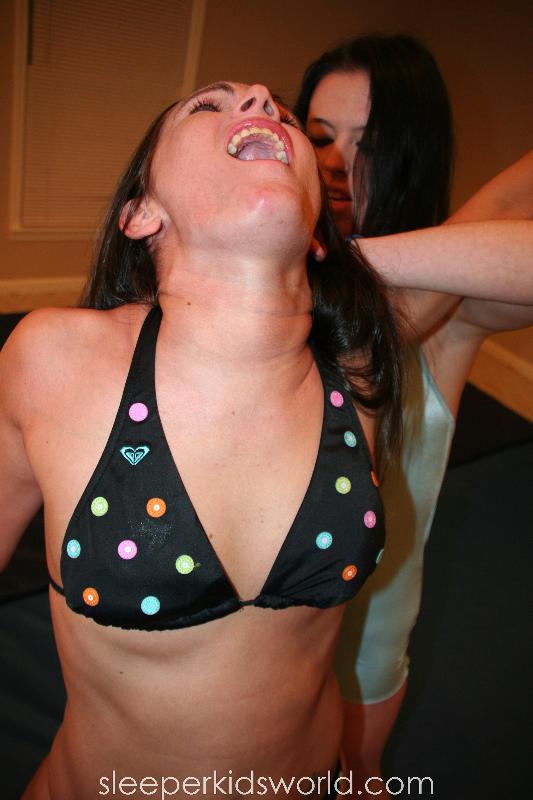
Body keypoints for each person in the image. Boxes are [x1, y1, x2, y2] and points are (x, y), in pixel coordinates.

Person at [0, 77, 531, 800]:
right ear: (140, 213)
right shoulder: (53, 359)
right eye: (208, 104)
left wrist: (338, 256)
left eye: (282, 116)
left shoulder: (355, 362)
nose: (257, 98)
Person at [294, 34, 533, 794]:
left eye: (369, 144)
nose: (336, 164)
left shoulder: (442, 312)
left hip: (367, 633)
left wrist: (352, 263)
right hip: (254, 637)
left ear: (411, 155)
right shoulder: (261, 295)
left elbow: (509, 210)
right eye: (320, 136)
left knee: (353, 778)